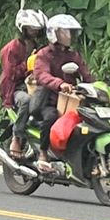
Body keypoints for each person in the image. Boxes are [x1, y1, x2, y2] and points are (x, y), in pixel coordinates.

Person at [27, 13, 93, 173]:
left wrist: (98, 86)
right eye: (64, 32)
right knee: (50, 118)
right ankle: (43, 153)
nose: (68, 35)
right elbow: (42, 75)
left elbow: (86, 74)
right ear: (53, 33)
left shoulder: (73, 55)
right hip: (49, 100)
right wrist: (60, 84)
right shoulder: (43, 55)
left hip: (70, 101)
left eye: (70, 32)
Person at [2, 9, 49, 161]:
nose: (35, 31)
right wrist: (28, 65)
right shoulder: (12, 48)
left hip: (34, 85)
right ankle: (17, 137)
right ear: (23, 28)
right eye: (31, 28)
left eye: (37, 29)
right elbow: (11, 74)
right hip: (15, 89)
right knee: (26, 101)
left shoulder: (37, 46)